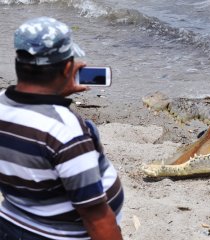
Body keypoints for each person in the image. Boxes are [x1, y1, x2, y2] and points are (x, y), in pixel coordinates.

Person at [0, 17, 124, 240]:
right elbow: (96, 219)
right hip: (60, 234)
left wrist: (54, 94)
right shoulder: (64, 131)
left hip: (13, 222)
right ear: (68, 67)